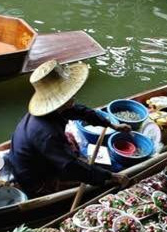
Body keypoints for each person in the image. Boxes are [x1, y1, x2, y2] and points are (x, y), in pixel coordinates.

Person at [8, 60, 131, 198]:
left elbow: (81, 111)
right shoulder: (47, 132)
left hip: (40, 157)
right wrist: (111, 176)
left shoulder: (56, 109)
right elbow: (70, 167)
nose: (73, 96)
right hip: (34, 179)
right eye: (68, 94)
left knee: (73, 146)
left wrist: (112, 125)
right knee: (96, 176)